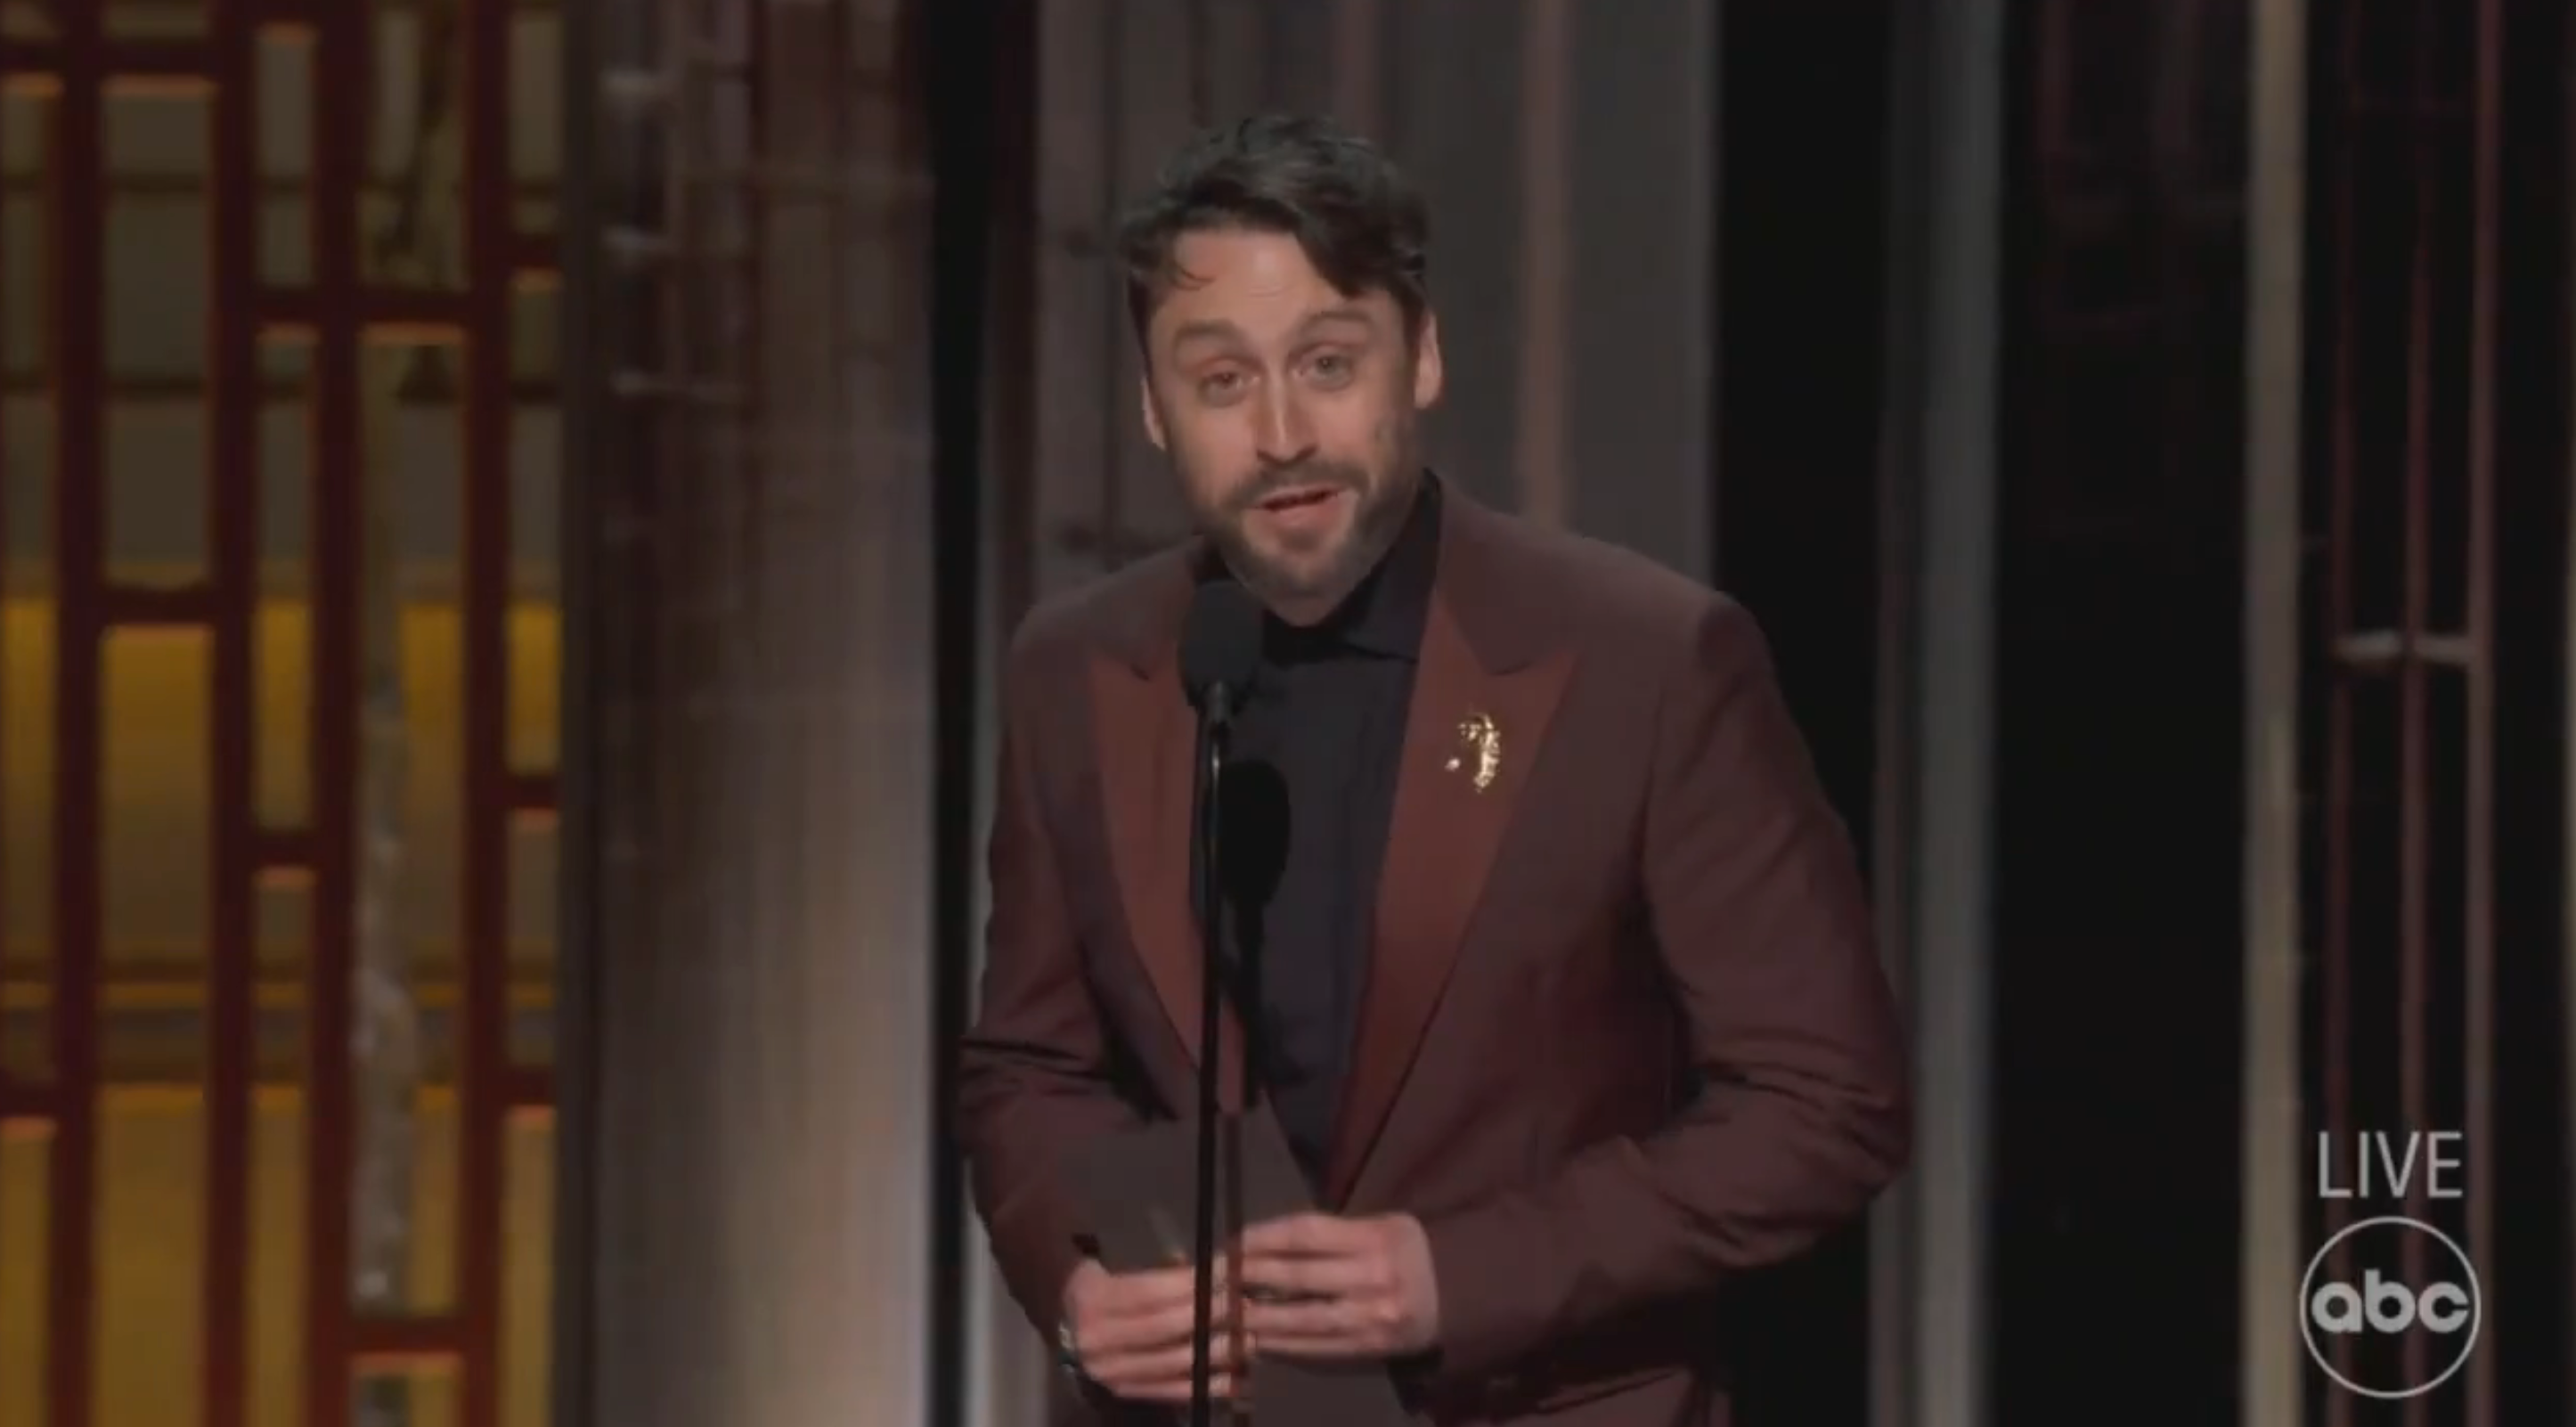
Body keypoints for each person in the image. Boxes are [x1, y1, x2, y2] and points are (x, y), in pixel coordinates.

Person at [957, 113, 1910, 1425]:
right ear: (1153, 410)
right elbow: (1028, 1068)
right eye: (1221, 380)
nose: (1281, 432)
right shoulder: (1078, 669)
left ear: (1422, 358)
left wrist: (1458, 1276)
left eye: (1327, 363)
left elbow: (1826, 1102)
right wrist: (1078, 1282)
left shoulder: (1648, 661)